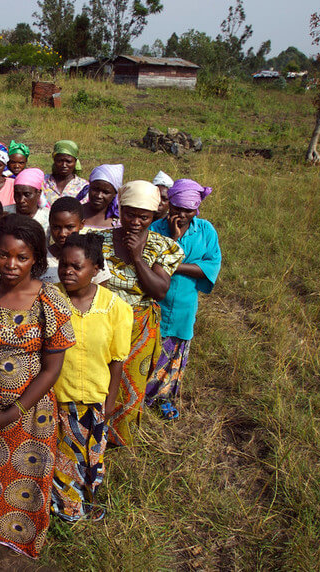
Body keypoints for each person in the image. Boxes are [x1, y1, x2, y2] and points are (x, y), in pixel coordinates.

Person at [0, 214, 75, 558]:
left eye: (22, 257)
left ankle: (27, 536)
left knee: (30, 477)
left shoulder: (50, 301)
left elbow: (52, 370)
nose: (11, 264)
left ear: (36, 259)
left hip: (32, 412)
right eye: (4, 255)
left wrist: (12, 413)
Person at [51, 233, 132, 522]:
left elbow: (117, 360)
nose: (67, 272)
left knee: (91, 455)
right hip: (57, 398)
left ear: (96, 268)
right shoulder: (50, 300)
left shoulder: (116, 308)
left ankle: (88, 498)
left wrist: (109, 402)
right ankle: (67, 509)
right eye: (63, 265)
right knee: (63, 457)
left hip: (95, 400)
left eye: (76, 266)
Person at [99, 181, 184, 447]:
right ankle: (92, 431)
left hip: (140, 326)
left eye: (143, 216)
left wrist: (137, 256)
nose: (135, 221)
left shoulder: (163, 246)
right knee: (98, 379)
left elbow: (159, 290)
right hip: (102, 321)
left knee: (131, 381)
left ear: (154, 215)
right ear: (120, 210)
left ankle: (117, 438)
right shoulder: (98, 240)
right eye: (130, 214)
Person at [147, 179, 221, 419]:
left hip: (184, 305)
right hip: (155, 301)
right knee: (152, 348)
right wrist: (176, 242)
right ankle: (144, 396)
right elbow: (148, 264)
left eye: (188, 211)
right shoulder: (155, 230)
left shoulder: (206, 231)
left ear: (196, 210)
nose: (181, 215)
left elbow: (210, 267)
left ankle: (164, 397)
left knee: (176, 350)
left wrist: (173, 264)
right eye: (176, 208)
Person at [40, 197, 111, 284]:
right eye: (56, 227)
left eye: (69, 227)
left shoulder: (92, 255)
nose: (62, 233)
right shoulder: (41, 259)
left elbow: (101, 293)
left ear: (81, 224)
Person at [76, 164, 123, 230]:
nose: (98, 196)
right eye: (95, 189)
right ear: (89, 188)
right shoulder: (75, 213)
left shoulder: (119, 221)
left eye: (105, 192)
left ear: (114, 194)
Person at [42, 140, 88, 207]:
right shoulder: (43, 181)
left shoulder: (83, 186)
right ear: (54, 160)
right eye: (60, 161)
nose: (64, 165)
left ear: (75, 162)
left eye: (68, 161)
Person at [5, 168, 50, 233]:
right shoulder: (5, 213)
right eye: (17, 194)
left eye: (27, 194)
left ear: (38, 193)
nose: (21, 200)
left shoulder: (48, 217)